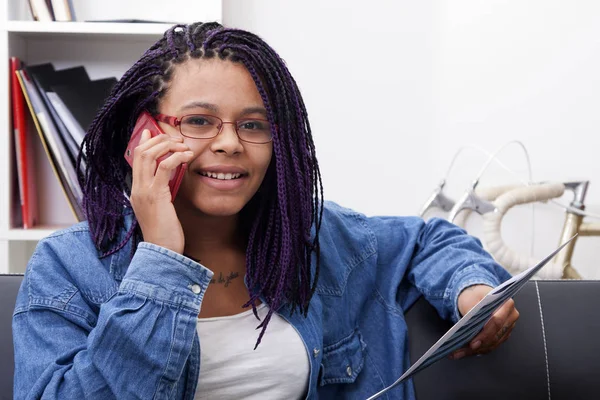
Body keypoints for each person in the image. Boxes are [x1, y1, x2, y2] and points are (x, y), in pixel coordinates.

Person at [13, 22, 519, 400]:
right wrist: (161, 259)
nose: (231, 144)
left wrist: (470, 288)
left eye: (254, 125)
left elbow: (426, 239)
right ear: (145, 135)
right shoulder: (68, 267)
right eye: (199, 121)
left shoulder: (316, 240)